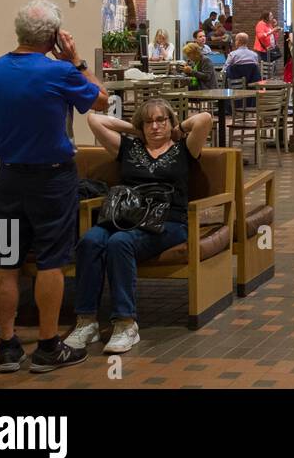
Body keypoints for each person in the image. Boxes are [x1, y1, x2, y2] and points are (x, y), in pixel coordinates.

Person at [0, 0, 109, 373]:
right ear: (53, 37)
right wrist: (76, 60)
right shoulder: (60, 72)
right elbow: (101, 99)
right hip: (52, 178)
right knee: (52, 260)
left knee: (5, 262)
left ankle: (7, 346)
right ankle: (49, 345)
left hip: (8, 178)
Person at [67, 102, 214, 354]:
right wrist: (136, 131)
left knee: (120, 242)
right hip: (126, 218)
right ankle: (86, 321)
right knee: (90, 240)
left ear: (170, 122)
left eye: (161, 120)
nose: (155, 126)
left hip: (170, 222)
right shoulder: (128, 148)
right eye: (149, 122)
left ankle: (125, 323)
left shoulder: (184, 149)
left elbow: (204, 118)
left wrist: (178, 129)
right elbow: (94, 119)